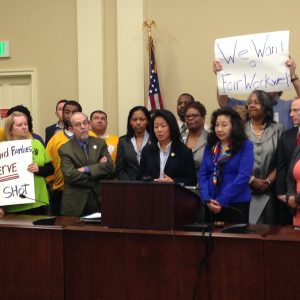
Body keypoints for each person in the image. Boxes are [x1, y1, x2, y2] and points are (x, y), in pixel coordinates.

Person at [199, 107, 254, 223]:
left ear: (234, 126)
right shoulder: (211, 146)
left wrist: (221, 200)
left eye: (224, 125)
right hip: (211, 203)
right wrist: (207, 198)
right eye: (217, 125)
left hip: (236, 202)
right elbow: (203, 174)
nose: (219, 129)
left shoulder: (245, 146)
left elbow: (243, 176)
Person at [213, 58, 300, 129]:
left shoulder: (288, 106)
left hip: (283, 149)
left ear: (279, 85)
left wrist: (293, 77)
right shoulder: (249, 106)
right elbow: (223, 102)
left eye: (268, 81)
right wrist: (221, 77)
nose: (264, 85)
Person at [59, 112, 113, 216]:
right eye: (78, 124)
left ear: (89, 125)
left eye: (85, 123)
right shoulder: (65, 149)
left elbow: (109, 167)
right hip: (76, 203)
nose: (83, 127)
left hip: (99, 199)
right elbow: (70, 176)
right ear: (71, 129)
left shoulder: (100, 143)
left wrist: (86, 169)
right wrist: (97, 172)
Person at [2, 111, 54, 215]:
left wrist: (39, 169)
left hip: (39, 202)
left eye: (25, 124)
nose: (24, 127)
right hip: (13, 205)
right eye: (19, 125)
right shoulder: (3, 149)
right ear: (10, 129)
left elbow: (50, 168)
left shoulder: (37, 143)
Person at [245, 90, 283, 224]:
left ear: (266, 106)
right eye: (249, 102)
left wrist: (267, 181)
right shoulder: (240, 130)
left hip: (270, 192)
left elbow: (282, 161)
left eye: (256, 102)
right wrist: (251, 180)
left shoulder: (278, 129)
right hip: (244, 190)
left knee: (269, 235)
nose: (251, 105)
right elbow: (233, 160)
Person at [139, 109, 197, 186]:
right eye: (156, 126)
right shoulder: (147, 150)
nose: (159, 130)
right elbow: (140, 177)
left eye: (163, 126)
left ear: (171, 127)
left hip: (174, 195)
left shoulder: (184, 152)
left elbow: (192, 180)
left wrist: (174, 182)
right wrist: (149, 180)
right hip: (151, 194)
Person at [46, 100, 82, 215]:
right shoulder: (55, 139)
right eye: (67, 112)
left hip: (85, 192)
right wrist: (50, 183)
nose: (70, 115)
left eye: (74, 112)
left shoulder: (91, 136)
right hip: (60, 192)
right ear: (62, 114)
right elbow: (47, 164)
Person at [277, 97, 300, 224]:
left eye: (296, 110)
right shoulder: (286, 135)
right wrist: (286, 193)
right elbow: (283, 167)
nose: (291, 114)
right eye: (291, 110)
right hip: (290, 197)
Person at [116, 106, 151, 180]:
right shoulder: (123, 141)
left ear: (147, 121)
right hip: (129, 185)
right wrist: (129, 185)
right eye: (134, 120)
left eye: (142, 119)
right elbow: (120, 169)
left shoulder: (155, 140)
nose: (138, 123)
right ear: (130, 122)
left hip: (151, 185)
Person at [183, 101, 208, 173]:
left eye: (195, 115)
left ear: (203, 117)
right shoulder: (180, 138)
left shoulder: (211, 139)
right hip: (182, 182)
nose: (190, 118)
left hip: (203, 182)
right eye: (187, 116)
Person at [286, 145, 300, 226]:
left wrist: (297, 199)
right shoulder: (298, 149)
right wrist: (291, 195)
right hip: (297, 211)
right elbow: (290, 178)